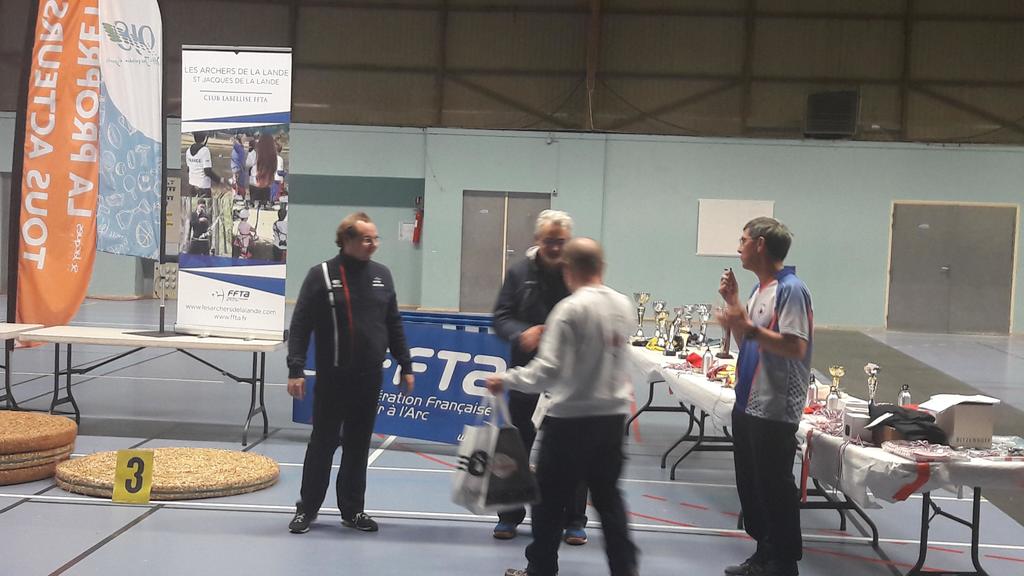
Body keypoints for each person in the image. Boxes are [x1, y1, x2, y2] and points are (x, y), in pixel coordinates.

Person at [487, 237, 639, 576]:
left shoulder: (569, 310)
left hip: (570, 421)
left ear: (568, 270)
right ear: (601, 267)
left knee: (549, 502)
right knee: (609, 501)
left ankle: (540, 569)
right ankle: (625, 570)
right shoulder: (622, 305)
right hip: (612, 419)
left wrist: (507, 379)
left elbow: (547, 372)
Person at [286, 211, 414, 535]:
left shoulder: (382, 276)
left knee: (358, 446)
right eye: (367, 239)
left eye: (376, 238)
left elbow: (393, 323)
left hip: (368, 379)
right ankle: (307, 509)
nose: (373, 244)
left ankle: (353, 510)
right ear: (347, 240)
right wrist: (295, 368)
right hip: (333, 378)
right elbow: (300, 324)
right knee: (323, 444)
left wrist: (405, 363)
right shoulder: (321, 275)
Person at [716, 217, 813, 576]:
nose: (738, 247)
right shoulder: (760, 289)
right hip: (748, 400)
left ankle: (784, 562)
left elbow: (796, 346)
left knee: (774, 486)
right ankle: (763, 554)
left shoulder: (791, 290)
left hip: (774, 405)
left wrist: (748, 328)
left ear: (759, 244)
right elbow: (748, 343)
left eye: (743, 240)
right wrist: (734, 304)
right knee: (752, 485)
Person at [491, 209, 589, 545]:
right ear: (538, 240)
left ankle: (573, 519)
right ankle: (509, 515)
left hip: (569, 379)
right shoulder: (518, 273)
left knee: (572, 449)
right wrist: (522, 333)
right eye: (550, 241)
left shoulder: (578, 272)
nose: (556, 248)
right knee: (515, 446)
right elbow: (500, 317)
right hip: (526, 374)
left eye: (561, 241)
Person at [184, 131, 220, 197]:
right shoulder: (205, 150)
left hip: (192, 185)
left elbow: (188, 169)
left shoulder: (188, 151)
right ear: (204, 138)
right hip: (203, 187)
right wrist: (218, 180)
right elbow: (207, 171)